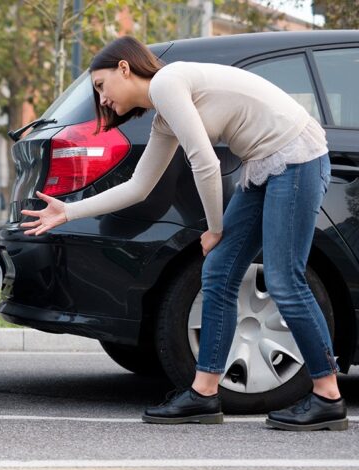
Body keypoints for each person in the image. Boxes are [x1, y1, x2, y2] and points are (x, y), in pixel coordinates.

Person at [21, 36, 347, 431]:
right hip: (266, 166)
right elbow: (139, 187)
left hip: (296, 159)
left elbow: (206, 165)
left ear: (125, 68)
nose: (102, 99)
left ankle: (327, 396)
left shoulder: (167, 82)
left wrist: (214, 229)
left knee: (283, 278)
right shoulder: (164, 115)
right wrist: (68, 211)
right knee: (219, 272)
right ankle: (204, 393)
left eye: (102, 86)